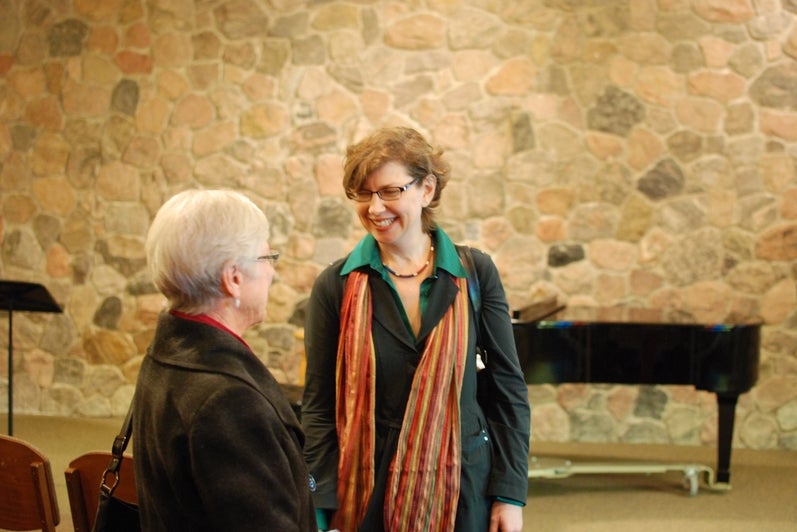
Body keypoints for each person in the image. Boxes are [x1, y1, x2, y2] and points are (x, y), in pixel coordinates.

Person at [302, 127, 530, 532]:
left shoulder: (475, 273)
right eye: (363, 193)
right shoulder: (335, 285)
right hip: (364, 491)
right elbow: (319, 407)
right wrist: (319, 504)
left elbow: (508, 388)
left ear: (427, 189)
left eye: (389, 191)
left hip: (461, 488)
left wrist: (510, 494)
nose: (375, 208)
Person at [132, 189, 316, 531]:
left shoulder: (169, 354)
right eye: (266, 258)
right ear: (233, 278)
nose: (272, 273)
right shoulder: (229, 402)